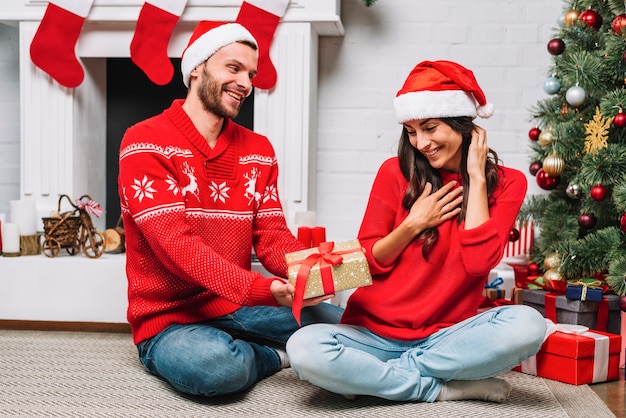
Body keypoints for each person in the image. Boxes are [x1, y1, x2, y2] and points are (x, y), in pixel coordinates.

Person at [286, 60, 547, 403]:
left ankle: (382, 378)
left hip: (445, 338)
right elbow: (365, 259)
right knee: (303, 349)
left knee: (529, 324)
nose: (421, 142)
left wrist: (477, 177)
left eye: (430, 127)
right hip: (372, 334)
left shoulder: (508, 182)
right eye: (411, 130)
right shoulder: (393, 172)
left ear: (463, 125)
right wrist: (413, 225)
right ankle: (437, 388)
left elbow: (478, 263)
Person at [117, 20, 343, 398]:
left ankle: (264, 344)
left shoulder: (258, 149)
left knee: (351, 327)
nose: (246, 83)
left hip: (237, 305)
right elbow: (178, 249)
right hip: (171, 320)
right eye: (233, 68)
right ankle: (272, 356)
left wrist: (310, 271)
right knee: (217, 368)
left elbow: (271, 237)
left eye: (251, 73)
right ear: (195, 68)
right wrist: (264, 289)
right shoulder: (144, 141)